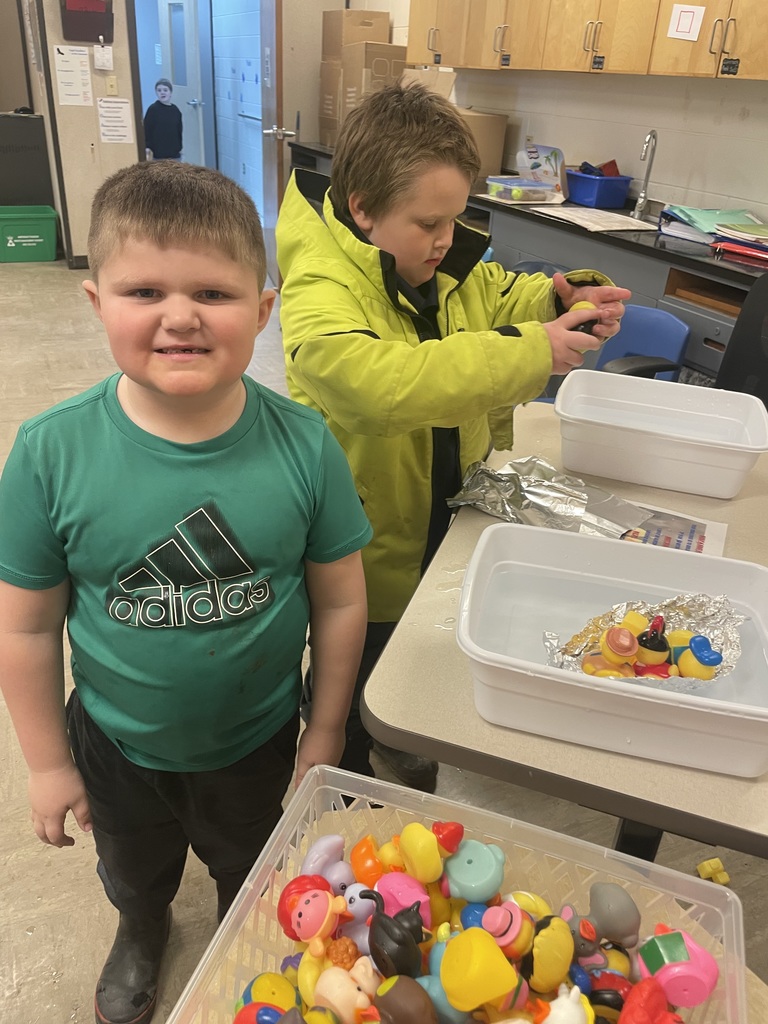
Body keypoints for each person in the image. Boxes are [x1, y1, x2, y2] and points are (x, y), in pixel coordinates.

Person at [0, 161, 372, 1024]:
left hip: (260, 736)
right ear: (97, 304)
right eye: (144, 290)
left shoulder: (305, 445)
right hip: (118, 745)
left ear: (264, 307)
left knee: (255, 862)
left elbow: (342, 601)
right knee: (135, 868)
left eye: (213, 290)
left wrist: (324, 727)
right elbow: (25, 629)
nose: (180, 316)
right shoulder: (51, 454)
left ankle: (252, 929)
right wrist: (48, 762)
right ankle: (141, 929)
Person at [276, 81, 631, 793]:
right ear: (363, 211)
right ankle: (342, 775)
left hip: (444, 507)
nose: (445, 238)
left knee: (422, 655)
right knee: (357, 666)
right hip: (364, 543)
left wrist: (559, 298)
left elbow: (498, 294)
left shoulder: (438, 259)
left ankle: (401, 741)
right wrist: (533, 351)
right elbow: (386, 385)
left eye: (457, 216)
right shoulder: (318, 290)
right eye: (428, 222)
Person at [143, 78, 183, 160]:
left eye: (165, 90)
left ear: (170, 92)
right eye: (159, 90)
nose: (162, 93)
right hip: (158, 154)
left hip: (174, 153)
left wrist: (179, 148)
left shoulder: (175, 110)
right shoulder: (153, 109)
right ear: (156, 92)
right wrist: (147, 147)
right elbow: (147, 129)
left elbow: (179, 130)